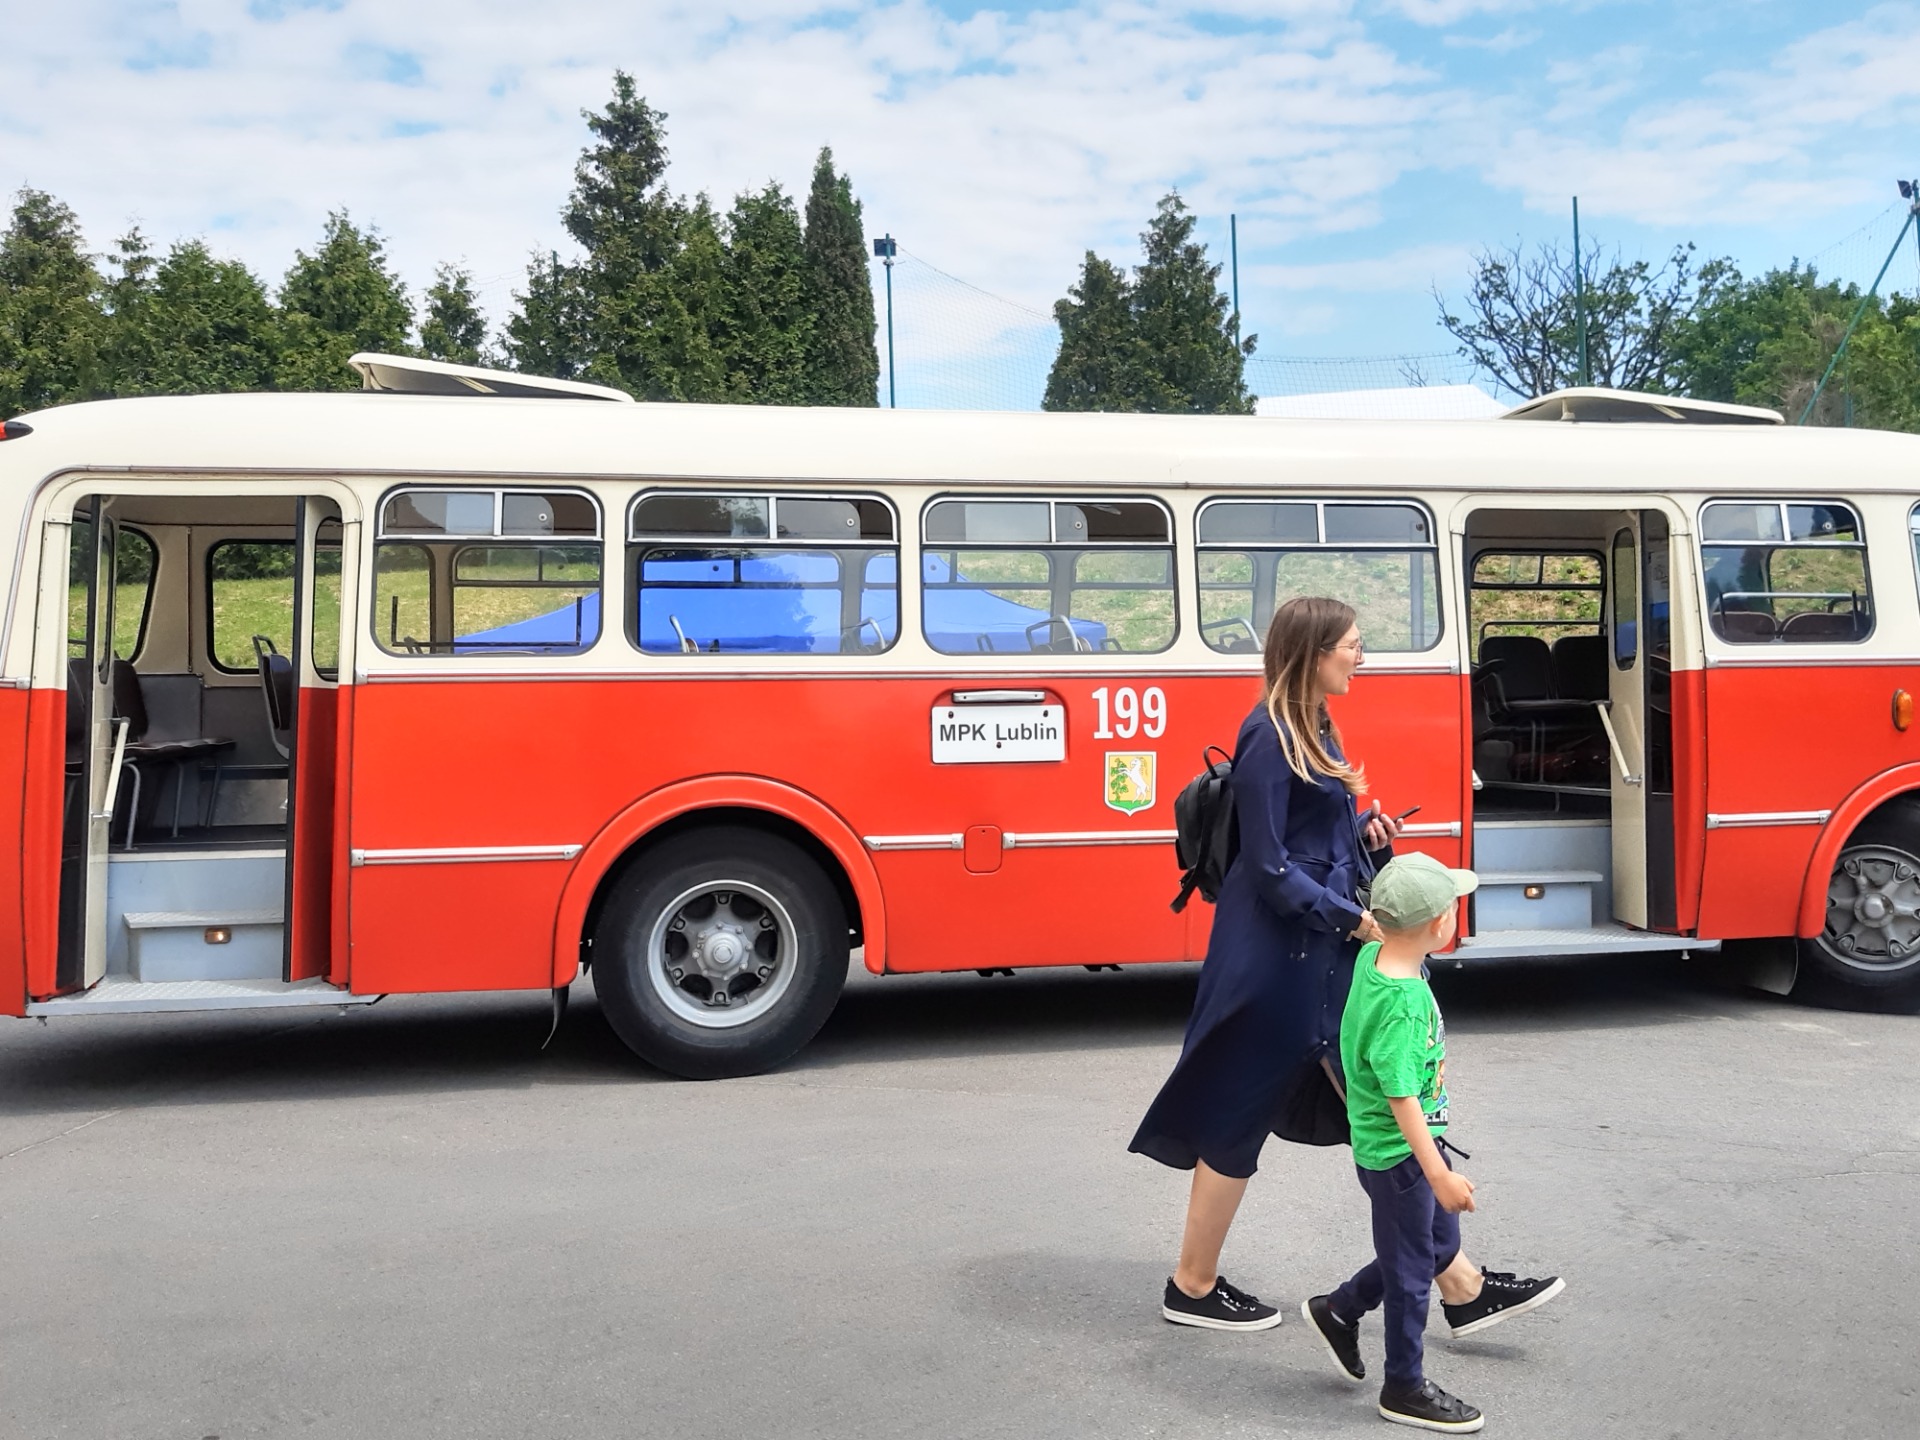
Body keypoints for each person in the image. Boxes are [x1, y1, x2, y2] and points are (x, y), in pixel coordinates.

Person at [1129, 595, 1535, 1334]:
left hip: (1313, 958)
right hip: (1276, 968)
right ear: (1312, 653)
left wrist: (1368, 835)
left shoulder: (1313, 726)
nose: (1361, 655)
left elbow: (1320, 840)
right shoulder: (1269, 735)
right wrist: (1354, 916)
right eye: (1351, 644)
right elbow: (1272, 867)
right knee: (1245, 1118)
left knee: (1375, 1107)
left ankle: (1462, 1285)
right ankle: (1192, 1284)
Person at [1300, 853, 1565, 1433]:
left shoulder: (1378, 956)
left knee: (1433, 1249)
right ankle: (1404, 1386)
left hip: (1407, 1149)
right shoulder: (1402, 1002)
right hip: (1400, 1155)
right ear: (1436, 926)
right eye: (1452, 907)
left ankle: (1339, 1309)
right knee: (1413, 1274)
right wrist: (1437, 1172)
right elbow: (1401, 1098)